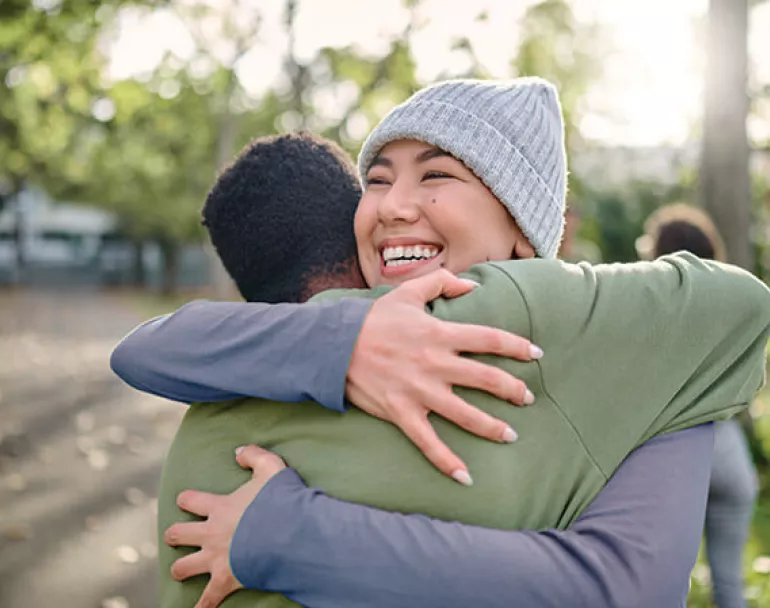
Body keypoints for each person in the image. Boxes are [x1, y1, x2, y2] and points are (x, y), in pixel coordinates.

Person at [110, 80, 770, 608]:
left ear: (522, 225)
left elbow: (624, 589)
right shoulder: (272, 371)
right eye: (376, 180)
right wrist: (348, 338)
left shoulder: (623, 344)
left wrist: (288, 534)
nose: (395, 205)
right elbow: (143, 349)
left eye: (436, 176)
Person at [638, 203, 759, 608]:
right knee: (730, 585)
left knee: (666, 586)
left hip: (680, 455)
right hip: (730, 455)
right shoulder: (732, 306)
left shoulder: (651, 310)